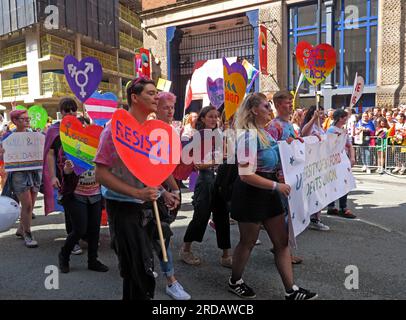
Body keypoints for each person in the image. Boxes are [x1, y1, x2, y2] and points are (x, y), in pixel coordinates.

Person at [228, 92, 317, 300]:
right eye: (266, 107)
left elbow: (280, 159)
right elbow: (245, 175)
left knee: (281, 242)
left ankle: (291, 290)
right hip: (251, 194)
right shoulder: (248, 136)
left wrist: (292, 145)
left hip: (269, 192)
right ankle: (235, 281)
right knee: (247, 242)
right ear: (253, 110)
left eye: (270, 106)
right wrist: (277, 186)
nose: (270, 110)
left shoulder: (266, 134)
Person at [95, 77, 176, 300]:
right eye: (150, 93)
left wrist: (164, 191)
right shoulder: (113, 130)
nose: (156, 97)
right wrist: (137, 193)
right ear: (134, 97)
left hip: (148, 207)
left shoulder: (152, 131)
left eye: (156, 93)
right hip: (123, 208)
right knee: (137, 272)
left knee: (145, 268)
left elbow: (147, 171)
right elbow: (100, 174)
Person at [179, 106, 233, 267]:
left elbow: (228, 154)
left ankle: (226, 255)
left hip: (220, 180)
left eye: (216, 116)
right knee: (200, 216)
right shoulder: (198, 136)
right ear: (202, 119)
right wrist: (217, 160)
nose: (214, 119)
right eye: (210, 116)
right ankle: (186, 249)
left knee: (223, 217)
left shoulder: (220, 134)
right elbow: (197, 164)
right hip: (205, 180)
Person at [154, 91, 191, 300]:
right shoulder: (149, 131)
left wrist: (174, 189)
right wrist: (163, 191)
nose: (170, 111)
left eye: (172, 107)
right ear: (155, 108)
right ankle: (171, 280)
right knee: (162, 235)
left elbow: (167, 166)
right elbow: (146, 168)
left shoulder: (171, 131)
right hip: (145, 192)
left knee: (162, 234)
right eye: (165, 107)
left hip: (166, 187)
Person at [265, 90, 304, 265]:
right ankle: (283, 250)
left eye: (291, 102)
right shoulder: (274, 126)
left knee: (289, 215)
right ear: (278, 105)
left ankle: (281, 247)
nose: (290, 105)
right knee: (284, 216)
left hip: (291, 176)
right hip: (281, 177)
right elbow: (269, 151)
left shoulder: (289, 125)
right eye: (287, 102)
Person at [43, 98, 83, 255]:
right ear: (61, 112)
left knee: (83, 206)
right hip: (63, 175)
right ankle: (72, 241)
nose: (71, 113)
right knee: (70, 208)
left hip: (82, 176)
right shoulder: (54, 130)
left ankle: (83, 235)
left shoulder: (81, 126)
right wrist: (53, 176)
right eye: (67, 110)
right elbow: (50, 154)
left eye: (73, 109)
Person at [57, 158, 109, 274]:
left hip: (95, 194)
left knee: (95, 230)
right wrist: (67, 170)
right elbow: (62, 167)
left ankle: (93, 260)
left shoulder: (100, 147)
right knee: (80, 229)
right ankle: (64, 255)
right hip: (76, 195)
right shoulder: (70, 145)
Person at [0, 110, 42, 248]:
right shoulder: (7, 137)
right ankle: (28, 233)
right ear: (15, 121)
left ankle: (21, 229)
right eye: (24, 118)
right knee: (27, 205)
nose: (27, 120)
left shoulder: (35, 135)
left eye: (28, 118)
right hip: (18, 174)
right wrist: (2, 154)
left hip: (35, 171)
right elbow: (2, 157)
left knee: (31, 204)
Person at [301, 106, 330, 231]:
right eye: (320, 113)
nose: (323, 116)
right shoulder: (310, 126)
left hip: (321, 164)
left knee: (320, 190)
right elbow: (303, 133)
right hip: (311, 164)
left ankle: (315, 217)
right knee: (314, 191)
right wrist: (314, 118)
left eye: (324, 114)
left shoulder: (321, 129)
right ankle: (313, 218)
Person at [326, 109, 356, 219]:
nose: (346, 119)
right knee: (334, 183)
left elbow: (349, 145)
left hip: (343, 160)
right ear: (339, 118)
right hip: (333, 161)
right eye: (344, 117)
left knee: (345, 182)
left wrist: (352, 157)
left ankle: (343, 207)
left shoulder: (343, 131)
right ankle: (332, 207)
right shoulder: (331, 130)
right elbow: (329, 146)